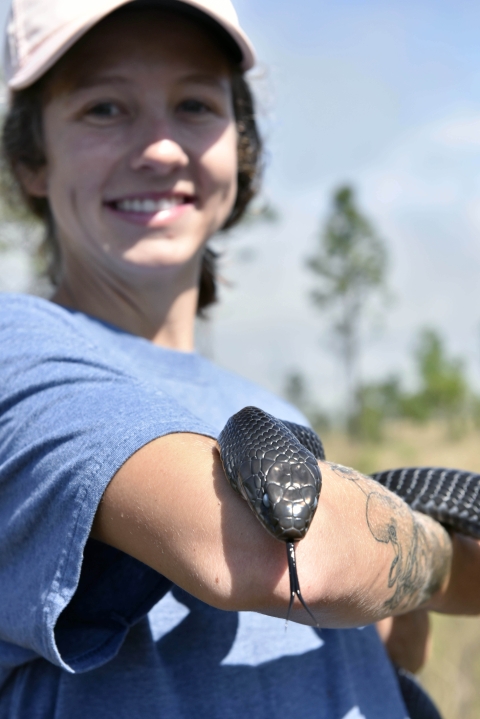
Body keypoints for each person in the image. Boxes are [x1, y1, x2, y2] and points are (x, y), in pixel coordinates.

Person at [0, 1, 479, 717]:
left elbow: (386, 632)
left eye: (194, 103)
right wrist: (424, 560)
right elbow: (291, 559)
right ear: (33, 160)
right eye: (104, 108)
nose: (160, 147)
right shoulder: (17, 347)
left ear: (240, 144)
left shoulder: (273, 409)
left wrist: (383, 574)